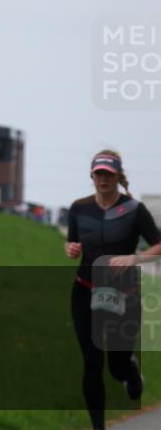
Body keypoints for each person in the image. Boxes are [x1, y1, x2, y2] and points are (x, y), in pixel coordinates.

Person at [64, 150, 161, 430]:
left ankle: (131, 373)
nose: (103, 179)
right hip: (85, 291)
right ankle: (98, 427)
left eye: (108, 174)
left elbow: (158, 244)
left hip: (124, 293)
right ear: (92, 175)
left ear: (118, 176)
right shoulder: (79, 208)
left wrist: (135, 258)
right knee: (92, 361)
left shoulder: (134, 209)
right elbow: (72, 242)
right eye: (99, 174)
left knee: (116, 366)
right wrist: (70, 248)